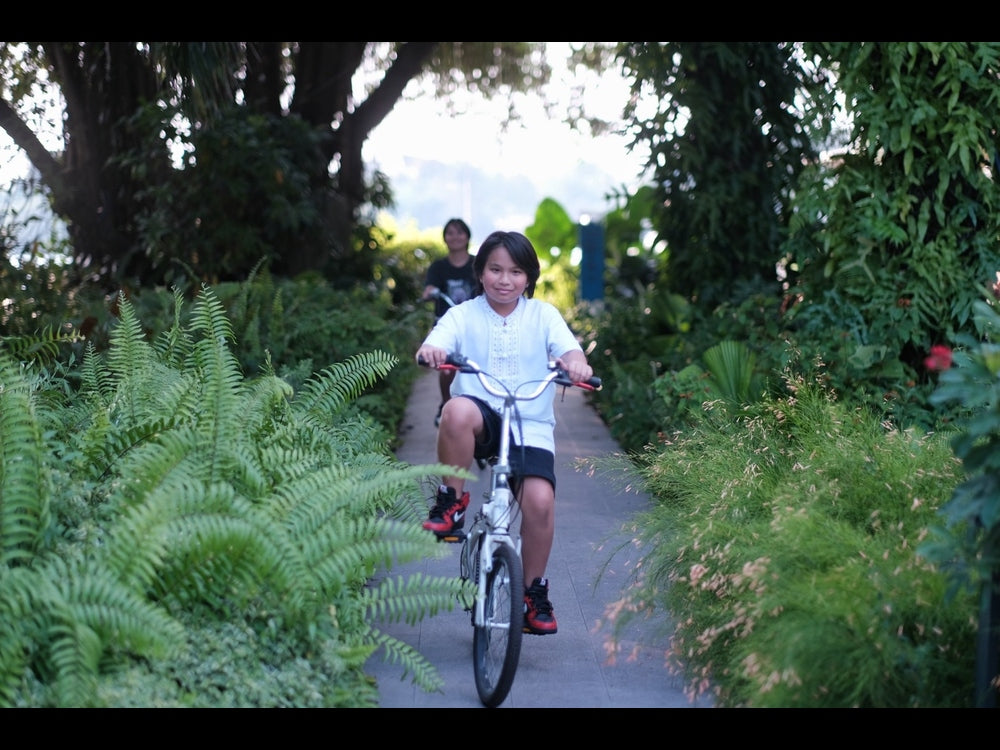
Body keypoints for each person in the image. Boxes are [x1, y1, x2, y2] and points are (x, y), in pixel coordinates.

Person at [415, 230, 593, 636]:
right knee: (455, 409)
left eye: (515, 271)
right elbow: (436, 341)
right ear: (480, 272)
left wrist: (576, 364)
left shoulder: (543, 315)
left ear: (529, 278)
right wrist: (433, 351)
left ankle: (532, 593)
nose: (504, 279)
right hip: (483, 415)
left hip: (529, 422)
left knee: (541, 503)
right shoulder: (462, 314)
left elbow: (570, 351)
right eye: (495, 269)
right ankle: (451, 501)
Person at [421, 218, 477, 427]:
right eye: (450, 233)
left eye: (460, 232)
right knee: (446, 369)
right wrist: (429, 292)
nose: (455, 237)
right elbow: (429, 288)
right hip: (445, 325)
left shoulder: (477, 264)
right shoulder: (438, 267)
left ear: (467, 237)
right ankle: (446, 404)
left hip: (473, 324)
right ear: (444, 238)